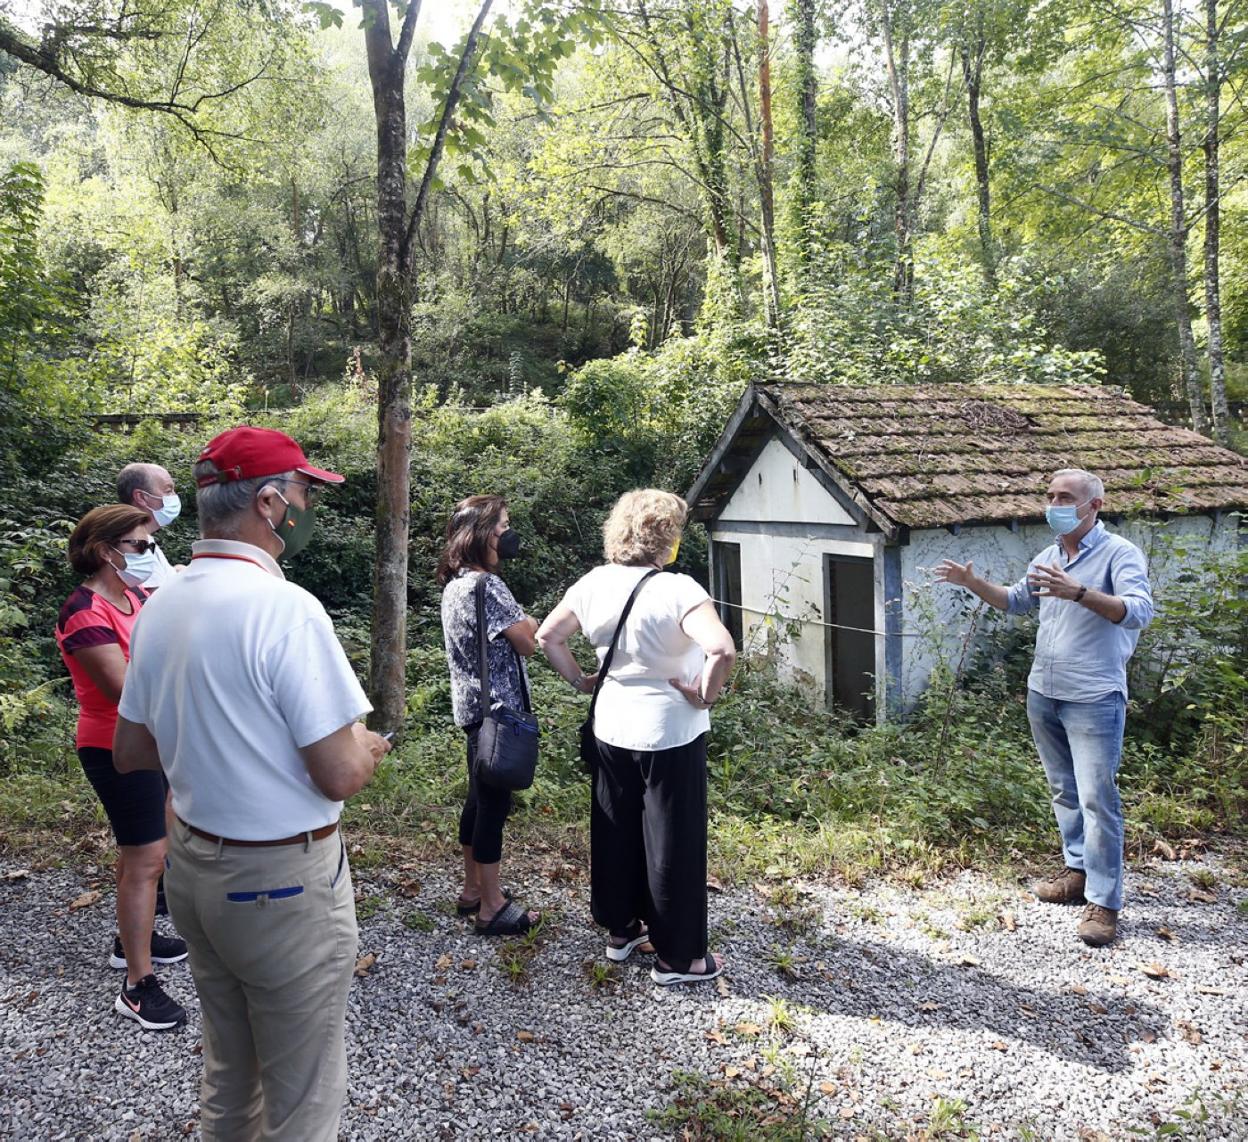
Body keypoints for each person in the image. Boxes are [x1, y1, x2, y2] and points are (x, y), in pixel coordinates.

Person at [113, 426, 391, 1141]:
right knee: (303, 1096)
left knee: (232, 1073)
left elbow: (133, 751)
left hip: (198, 867)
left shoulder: (162, 603)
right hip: (280, 880)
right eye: (304, 492)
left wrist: (214, 746)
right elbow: (337, 770)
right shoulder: (283, 607)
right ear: (268, 502)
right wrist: (367, 747)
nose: (306, 507)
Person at [935, 468, 1154, 947]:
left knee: (1099, 799)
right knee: (1064, 791)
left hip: (1094, 696)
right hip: (1045, 692)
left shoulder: (1120, 553)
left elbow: (1138, 610)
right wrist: (973, 583)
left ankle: (1104, 903)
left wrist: (1079, 592)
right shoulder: (1049, 554)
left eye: (1065, 496)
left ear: (1094, 505)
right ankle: (1077, 876)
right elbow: (1016, 602)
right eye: (1050, 494)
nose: (1053, 502)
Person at [537, 489, 736, 984]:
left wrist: (581, 680)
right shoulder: (678, 589)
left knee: (614, 828)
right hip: (670, 729)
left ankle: (621, 931)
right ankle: (678, 958)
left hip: (611, 724)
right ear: (667, 537)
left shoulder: (594, 583)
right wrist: (704, 696)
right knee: (672, 840)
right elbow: (722, 649)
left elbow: (548, 637)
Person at [54, 505, 188, 1031]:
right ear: (108, 552)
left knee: (146, 853)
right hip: (113, 746)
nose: (150, 553)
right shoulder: (82, 611)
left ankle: (132, 938)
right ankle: (137, 984)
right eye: (139, 545)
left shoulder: (136, 597)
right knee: (146, 857)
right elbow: (123, 685)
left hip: (153, 741)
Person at [437, 495, 542, 936]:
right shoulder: (489, 586)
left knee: (477, 802)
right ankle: (492, 907)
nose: (507, 533)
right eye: (502, 524)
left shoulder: (456, 584)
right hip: (499, 713)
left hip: (472, 710)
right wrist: (530, 623)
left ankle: (472, 890)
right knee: (493, 807)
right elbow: (526, 642)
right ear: (483, 532)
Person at [117, 462, 182, 588]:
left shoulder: (145, 537)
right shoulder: (133, 544)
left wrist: (177, 571)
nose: (174, 496)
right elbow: (154, 598)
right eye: (168, 491)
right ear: (141, 497)